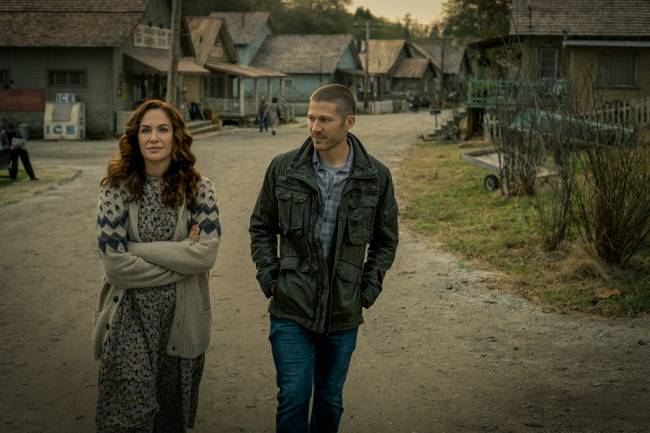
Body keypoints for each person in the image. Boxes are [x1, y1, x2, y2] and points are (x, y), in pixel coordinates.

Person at [249, 84, 399, 433]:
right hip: (291, 307)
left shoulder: (375, 177)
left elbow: (385, 240)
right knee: (293, 396)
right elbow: (261, 226)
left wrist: (368, 288)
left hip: (344, 311)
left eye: (325, 120)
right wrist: (270, 276)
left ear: (349, 122)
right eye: (311, 118)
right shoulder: (283, 168)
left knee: (330, 399)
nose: (315, 127)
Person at [93, 99, 221, 433]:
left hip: (180, 319)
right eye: (145, 130)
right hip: (128, 318)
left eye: (162, 129)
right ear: (135, 138)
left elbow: (205, 256)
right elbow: (116, 267)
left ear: (176, 136)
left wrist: (135, 248)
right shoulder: (115, 190)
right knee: (128, 418)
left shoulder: (199, 191)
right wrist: (181, 255)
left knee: (169, 419)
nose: (154, 137)